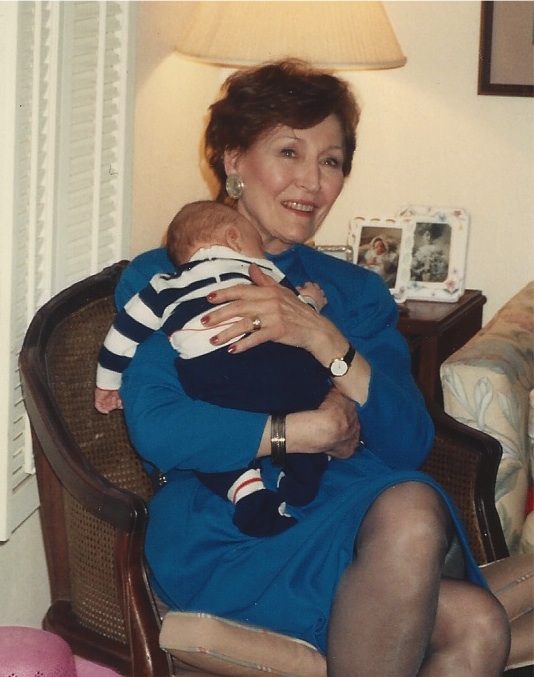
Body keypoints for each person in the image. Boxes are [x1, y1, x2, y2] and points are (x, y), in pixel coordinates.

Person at [115, 59, 512, 675]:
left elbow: (410, 443)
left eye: (331, 161)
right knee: (468, 606)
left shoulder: (355, 292)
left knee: (455, 583)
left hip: (357, 512)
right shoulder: (169, 277)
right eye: (289, 152)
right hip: (230, 520)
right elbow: (159, 430)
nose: (312, 181)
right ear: (232, 160)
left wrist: (323, 337)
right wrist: (301, 431)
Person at [95, 199, 332, 537]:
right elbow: (298, 315)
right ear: (234, 238)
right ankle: (305, 470)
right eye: (257, 244)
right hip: (272, 365)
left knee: (212, 436)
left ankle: (245, 490)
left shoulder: (163, 284)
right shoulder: (259, 271)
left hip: (210, 376)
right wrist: (312, 301)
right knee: (311, 386)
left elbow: (123, 335)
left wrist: (107, 382)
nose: (262, 253)